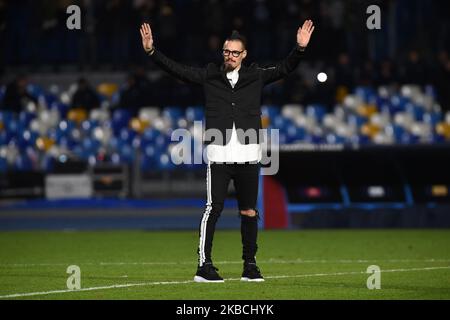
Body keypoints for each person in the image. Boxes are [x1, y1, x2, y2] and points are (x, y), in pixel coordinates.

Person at [140, 20, 314, 283]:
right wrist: (153, 52)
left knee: (249, 212)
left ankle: (250, 265)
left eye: (234, 52)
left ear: (244, 55)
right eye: (226, 51)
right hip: (219, 154)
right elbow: (179, 70)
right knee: (213, 209)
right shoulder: (210, 74)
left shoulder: (255, 75)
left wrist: (299, 49)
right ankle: (204, 266)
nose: (229, 56)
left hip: (248, 153)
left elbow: (284, 68)